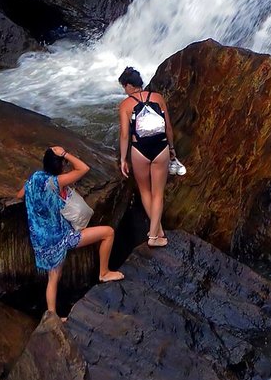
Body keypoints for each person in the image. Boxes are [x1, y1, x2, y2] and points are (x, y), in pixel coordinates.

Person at [18, 146, 123, 315]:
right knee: (108, 232)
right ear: (60, 167)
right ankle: (104, 272)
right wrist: (66, 153)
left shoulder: (35, 178)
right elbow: (84, 168)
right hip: (62, 238)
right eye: (64, 164)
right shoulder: (56, 182)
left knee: (53, 279)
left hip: (41, 240)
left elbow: (19, 195)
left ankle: (52, 316)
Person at [118, 66, 176, 247]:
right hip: (161, 148)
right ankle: (156, 233)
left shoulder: (126, 105)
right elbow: (168, 128)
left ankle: (155, 235)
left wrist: (123, 159)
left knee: (145, 191)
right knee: (158, 193)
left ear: (129, 85)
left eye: (124, 87)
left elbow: (125, 135)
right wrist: (171, 148)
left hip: (140, 150)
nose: (124, 91)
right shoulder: (157, 98)